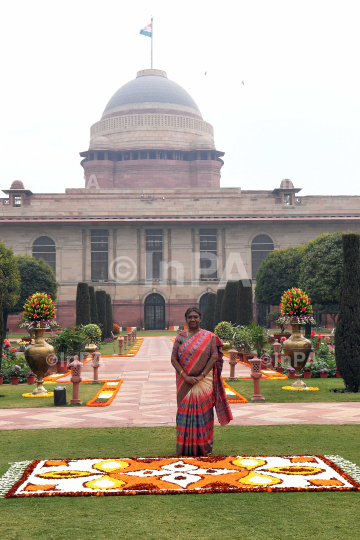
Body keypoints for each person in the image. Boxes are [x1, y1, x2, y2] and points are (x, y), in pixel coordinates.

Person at [171, 307, 233, 457]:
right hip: (184, 383)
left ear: (200, 319)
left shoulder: (210, 337)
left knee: (205, 414)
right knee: (183, 414)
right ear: (186, 319)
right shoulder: (180, 337)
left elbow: (214, 357)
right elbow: (173, 359)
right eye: (190, 317)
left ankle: (204, 447)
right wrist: (184, 376)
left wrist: (202, 376)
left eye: (195, 317)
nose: (193, 320)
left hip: (204, 382)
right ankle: (185, 448)